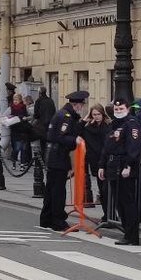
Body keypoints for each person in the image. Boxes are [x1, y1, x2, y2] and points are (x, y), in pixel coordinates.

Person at [40, 90, 88, 232]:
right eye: (81, 105)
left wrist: (82, 124)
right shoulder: (66, 116)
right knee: (58, 191)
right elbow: (61, 136)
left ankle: (46, 218)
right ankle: (58, 222)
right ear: (77, 105)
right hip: (58, 156)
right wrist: (75, 139)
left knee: (51, 188)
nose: (82, 108)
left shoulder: (63, 114)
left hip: (54, 155)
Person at [102, 99, 141, 245]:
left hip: (125, 166)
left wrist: (129, 165)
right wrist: (102, 165)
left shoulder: (132, 124)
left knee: (127, 202)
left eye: (121, 109)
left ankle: (132, 236)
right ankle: (127, 232)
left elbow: (134, 147)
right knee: (119, 202)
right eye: (116, 109)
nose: (118, 111)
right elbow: (107, 147)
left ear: (127, 109)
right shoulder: (114, 124)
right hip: (113, 166)